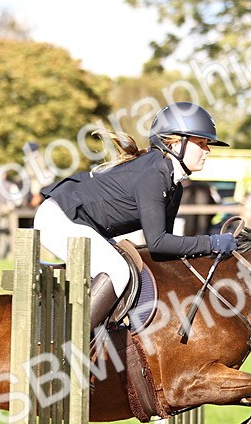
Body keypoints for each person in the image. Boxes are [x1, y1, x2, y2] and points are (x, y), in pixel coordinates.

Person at [37, 102, 234, 334]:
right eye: (200, 143)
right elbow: (158, 242)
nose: (207, 150)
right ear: (175, 143)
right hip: (60, 218)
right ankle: (70, 343)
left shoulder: (174, 184)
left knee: (131, 265)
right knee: (118, 270)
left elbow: (161, 251)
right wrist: (211, 243)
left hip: (82, 222)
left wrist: (206, 253)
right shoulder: (154, 174)